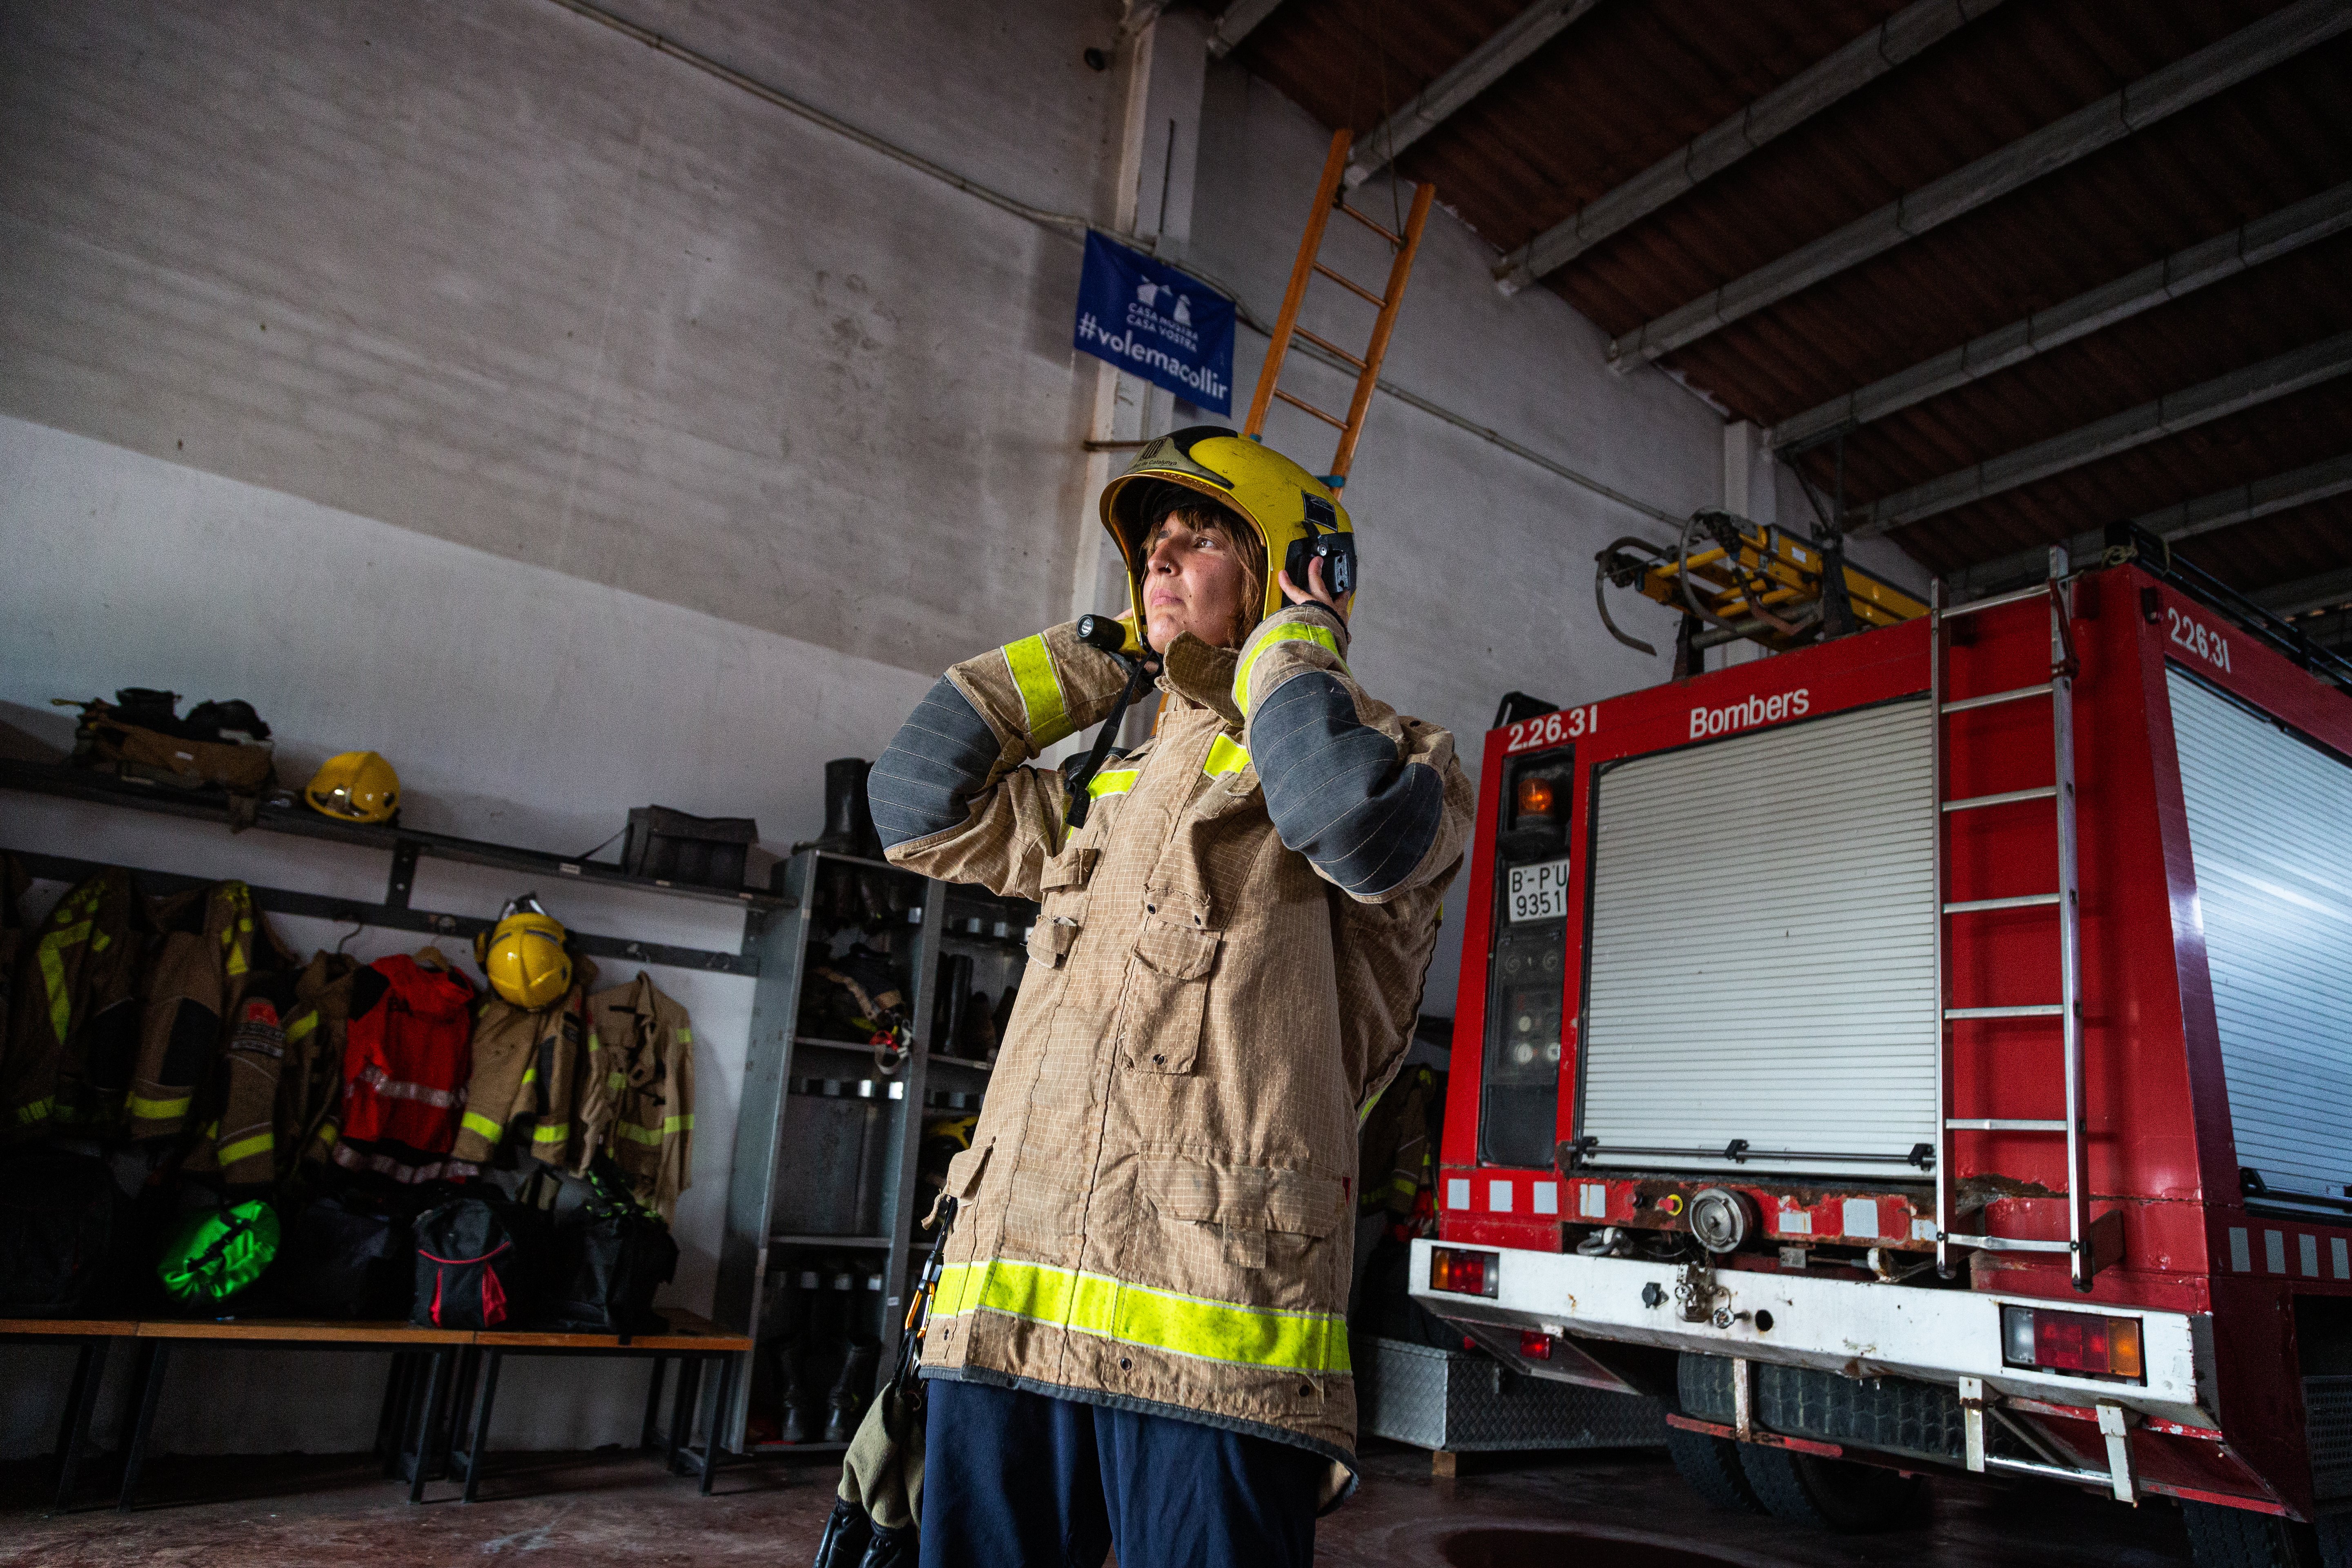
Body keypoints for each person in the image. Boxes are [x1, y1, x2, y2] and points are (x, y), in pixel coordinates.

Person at [868, 427, 1472, 1568]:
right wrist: (1101, 657)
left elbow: (1344, 824)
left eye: (1199, 543)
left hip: (1210, 1333)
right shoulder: (1112, 783)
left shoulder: (1397, 759)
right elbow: (913, 803)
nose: (1158, 563)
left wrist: (1297, 650)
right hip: (1007, 1319)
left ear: (1294, 568)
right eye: (1151, 547)